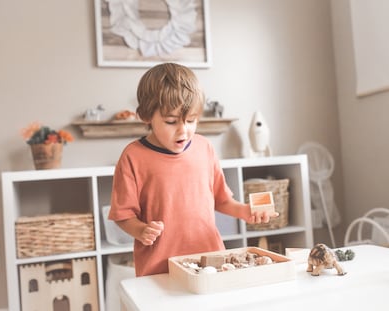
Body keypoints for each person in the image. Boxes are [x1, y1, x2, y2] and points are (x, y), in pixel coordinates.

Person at [109, 62, 278, 277]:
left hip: (210, 261)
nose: (184, 130)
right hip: (160, 267)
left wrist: (245, 212)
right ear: (147, 116)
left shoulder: (204, 148)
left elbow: (222, 200)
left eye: (191, 120)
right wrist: (141, 231)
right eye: (171, 122)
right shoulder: (133, 156)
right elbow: (122, 215)